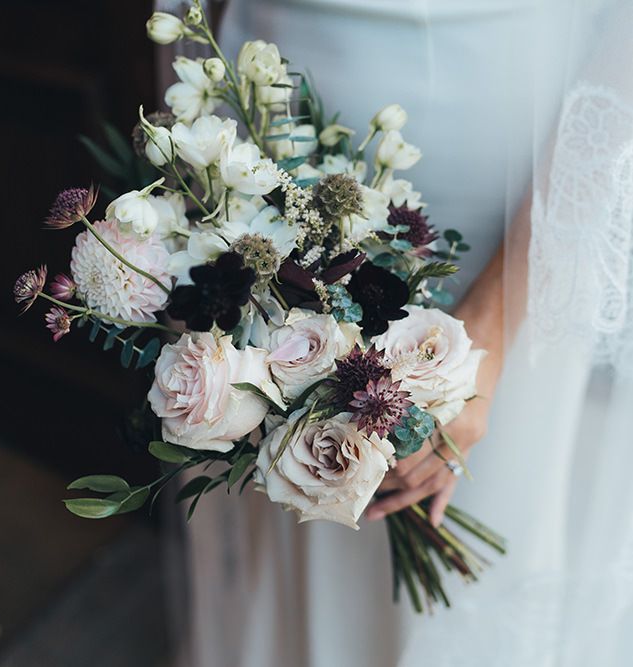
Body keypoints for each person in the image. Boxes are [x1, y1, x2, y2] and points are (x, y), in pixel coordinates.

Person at [172, 1, 633, 665]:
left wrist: (491, 332)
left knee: (484, 500)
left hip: (507, 156)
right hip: (267, 115)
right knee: (297, 495)